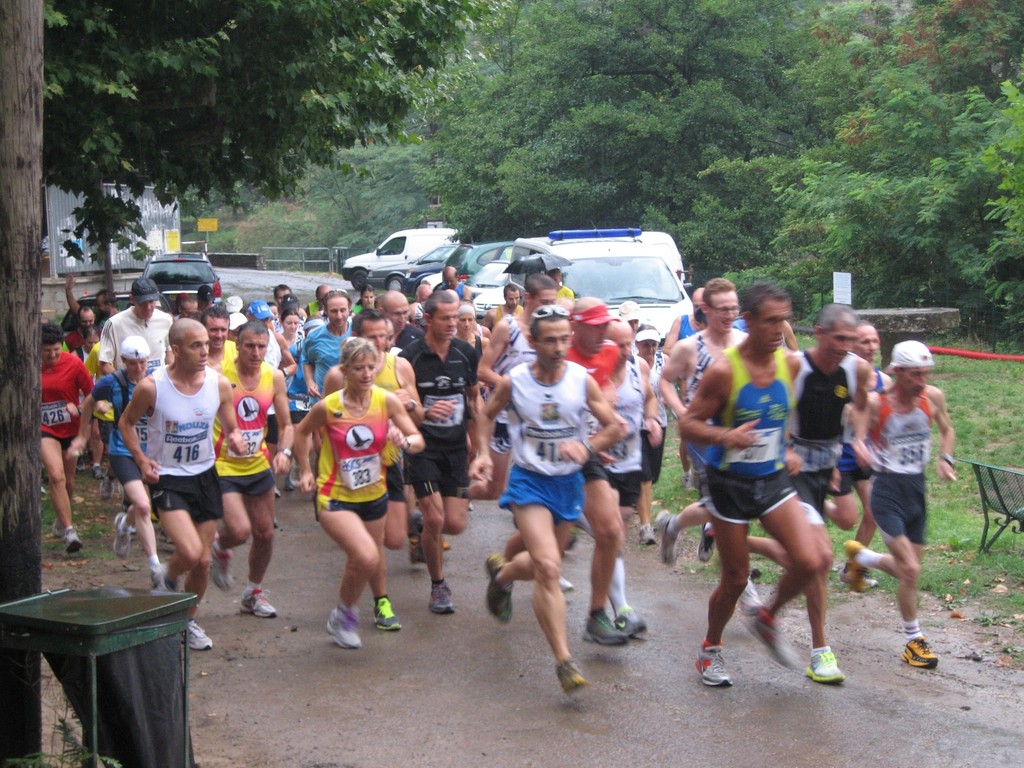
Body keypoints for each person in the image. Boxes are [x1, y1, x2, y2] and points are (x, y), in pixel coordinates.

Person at [678, 282, 831, 687]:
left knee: (811, 560)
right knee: (735, 578)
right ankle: (710, 649)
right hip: (729, 484)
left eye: (784, 319)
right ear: (749, 320)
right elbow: (688, 424)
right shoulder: (725, 371)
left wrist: (790, 445)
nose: (779, 329)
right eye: (771, 321)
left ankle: (765, 616)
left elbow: (786, 413)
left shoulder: (790, 364)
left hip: (772, 478)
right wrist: (725, 437)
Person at [471, 305, 624, 693]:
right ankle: (564, 661)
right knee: (549, 567)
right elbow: (487, 414)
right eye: (550, 340)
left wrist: (586, 448)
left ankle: (503, 576)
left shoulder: (580, 381)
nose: (558, 347)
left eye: (563, 339)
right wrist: (484, 454)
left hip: (567, 483)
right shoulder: (515, 381)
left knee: (543, 565)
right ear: (534, 342)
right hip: (529, 482)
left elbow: (613, 427)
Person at [746, 304, 873, 685]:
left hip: (822, 469)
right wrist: (784, 449)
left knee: (812, 559)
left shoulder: (858, 369)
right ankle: (820, 652)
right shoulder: (795, 366)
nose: (844, 347)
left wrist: (857, 442)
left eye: (850, 341)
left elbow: (861, 406)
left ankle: (766, 614)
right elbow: (773, 411)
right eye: (838, 339)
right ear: (819, 333)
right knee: (821, 557)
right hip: (790, 470)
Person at [119, 318, 247, 651]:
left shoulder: (218, 384)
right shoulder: (152, 387)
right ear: (175, 350)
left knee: (203, 561)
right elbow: (126, 423)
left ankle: (187, 621)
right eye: (196, 345)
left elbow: (230, 423)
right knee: (190, 552)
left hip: (204, 476)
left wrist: (235, 438)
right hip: (169, 478)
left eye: (206, 343)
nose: (206, 350)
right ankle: (167, 575)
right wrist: (142, 460)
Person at [294, 337, 426, 649]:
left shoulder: (386, 401)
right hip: (335, 495)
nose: (367, 374)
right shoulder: (330, 406)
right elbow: (301, 431)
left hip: (374, 495)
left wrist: (404, 441)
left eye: (371, 367)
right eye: (359, 368)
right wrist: (306, 470)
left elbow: (417, 438)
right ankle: (346, 612)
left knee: (362, 559)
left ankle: (341, 616)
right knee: (366, 555)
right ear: (345, 371)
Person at [844, 340, 956, 669]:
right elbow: (858, 433)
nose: (922, 381)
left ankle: (860, 557)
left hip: (916, 490)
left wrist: (945, 458)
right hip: (887, 490)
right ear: (899, 372)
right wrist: (862, 447)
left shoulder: (932, 397)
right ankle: (913, 641)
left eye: (926, 374)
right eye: (915, 375)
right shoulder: (879, 403)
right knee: (910, 568)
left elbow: (948, 429)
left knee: (909, 573)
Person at [323, 309, 423, 630]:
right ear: (356, 338)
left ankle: (358, 586)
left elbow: (419, 420)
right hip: (348, 473)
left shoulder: (400, 366)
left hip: (389, 464)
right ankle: (381, 601)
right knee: (370, 545)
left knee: (394, 540)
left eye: (386, 337)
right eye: (372, 337)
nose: (380, 344)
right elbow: (322, 426)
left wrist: (408, 405)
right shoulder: (338, 377)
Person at [399, 290, 481, 614]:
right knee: (435, 518)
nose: (452, 324)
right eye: (445, 318)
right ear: (428, 320)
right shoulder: (410, 357)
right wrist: (422, 414)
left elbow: (474, 399)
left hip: (457, 446)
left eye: (456, 318)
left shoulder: (465, 351)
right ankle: (438, 586)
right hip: (423, 447)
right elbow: (403, 405)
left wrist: (480, 444)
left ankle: (423, 532)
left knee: (455, 523)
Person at [208, 321, 295, 619]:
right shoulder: (218, 375)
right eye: (250, 346)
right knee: (239, 530)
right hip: (221, 464)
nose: (257, 353)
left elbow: (286, 425)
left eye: (262, 347)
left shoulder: (274, 377)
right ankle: (220, 546)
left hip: (257, 464)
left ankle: (253, 593)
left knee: (265, 533)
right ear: (237, 343)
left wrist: (284, 452)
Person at [565, 298, 633, 645]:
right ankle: (502, 571)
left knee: (610, 532)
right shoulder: (556, 352)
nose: (604, 331)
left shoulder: (607, 352)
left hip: (586, 450)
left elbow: (604, 387)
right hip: (548, 456)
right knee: (545, 549)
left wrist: (604, 425)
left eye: (606, 323)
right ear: (575, 325)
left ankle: (596, 615)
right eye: (596, 324)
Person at [70, 335, 162, 584]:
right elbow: (89, 401)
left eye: (143, 362)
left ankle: (124, 524)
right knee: (143, 506)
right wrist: (82, 435)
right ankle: (155, 567)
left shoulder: (159, 380)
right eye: (133, 363)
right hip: (123, 451)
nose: (139, 369)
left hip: (153, 452)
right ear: (123, 361)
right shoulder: (112, 382)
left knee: (149, 504)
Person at [596, 319, 662, 635]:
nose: (624, 351)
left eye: (628, 344)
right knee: (610, 535)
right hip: (598, 463)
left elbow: (649, 397)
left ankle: (507, 569)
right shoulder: (592, 374)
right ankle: (620, 608)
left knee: (615, 534)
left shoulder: (639, 368)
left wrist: (652, 420)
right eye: (617, 345)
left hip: (630, 463)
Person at [472, 274, 559, 502]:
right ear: (528, 298)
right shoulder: (508, 328)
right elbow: (482, 371)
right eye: (545, 302)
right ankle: (457, 494)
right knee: (494, 489)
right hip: (504, 416)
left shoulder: (554, 332)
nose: (550, 308)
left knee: (543, 485)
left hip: (538, 419)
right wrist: (513, 387)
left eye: (554, 302)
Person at [834, 321, 890, 588]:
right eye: (864, 341)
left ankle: (852, 570)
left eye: (874, 341)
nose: (870, 347)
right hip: (837, 456)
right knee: (845, 519)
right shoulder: (839, 376)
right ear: (852, 344)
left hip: (866, 458)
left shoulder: (884, 381)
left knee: (874, 513)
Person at [41, 321, 93, 553]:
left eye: (56, 349)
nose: (52, 354)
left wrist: (79, 408)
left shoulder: (73, 363)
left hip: (71, 429)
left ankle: (62, 518)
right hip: (45, 429)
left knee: (68, 482)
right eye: (46, 350)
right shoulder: (29, 366)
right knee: (56, 476)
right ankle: (71, 531)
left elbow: (93, 396)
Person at [98, 277, 173, 376]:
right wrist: (125, 383)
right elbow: (104, 363)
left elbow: (169, 352)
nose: (148, 307)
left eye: (151, 302)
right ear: (132, 299)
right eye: (143, 303)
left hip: (158, 385)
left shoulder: (166, 320)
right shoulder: (114, 324)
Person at [633, 325, 666, 545]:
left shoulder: (665, 363)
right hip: (636, 426)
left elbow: (674, 385)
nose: (650, 348)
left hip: (659, 423)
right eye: (645, 344)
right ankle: (646, 525)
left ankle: (638, 507)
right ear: (637, 345)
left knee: (652, 475)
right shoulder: (632, 364)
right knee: (643, 476)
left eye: (653, 343)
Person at [302, 290, 352, 401]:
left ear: (349, 309)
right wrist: (310, 381)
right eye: (334, 311)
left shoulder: (359, 332)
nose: (339, 316)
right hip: (323, 401)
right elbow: (307, 361)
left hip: (351, 401)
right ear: (325, 311)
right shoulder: (314, 337)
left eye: (343, 310)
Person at [663, 287, 705, 355]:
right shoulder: (681, 321)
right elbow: (667, 350)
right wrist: (686, 357)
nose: (698, 311)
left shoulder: (714, 324)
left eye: (701, 307)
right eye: (696, 306)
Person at [201, 304, 235, 372]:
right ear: (203, 329)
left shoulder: (238, 350)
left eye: (223, 330)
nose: (219, 335)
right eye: (214, 330)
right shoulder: (194, 355)